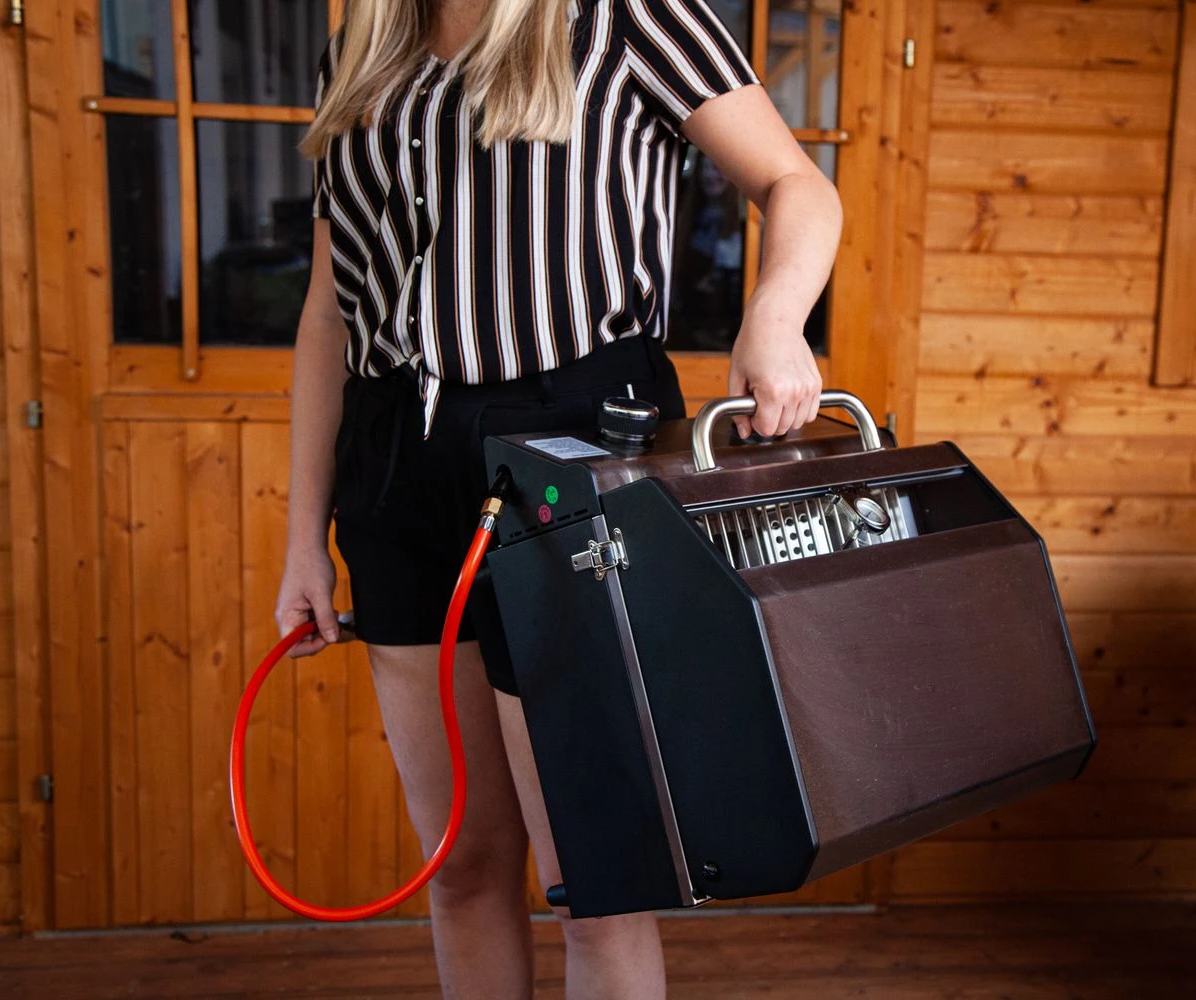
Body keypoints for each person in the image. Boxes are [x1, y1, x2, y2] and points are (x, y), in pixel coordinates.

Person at [275, 0, 840, 996]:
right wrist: (301, 541)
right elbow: (330, 312)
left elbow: (798, 183)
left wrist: (778, 314)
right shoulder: (360, 49)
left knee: (596, 885)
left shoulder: (626, 16)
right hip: (394, 460)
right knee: (461, 865)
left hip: (575, 448)